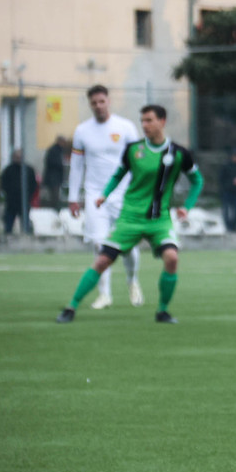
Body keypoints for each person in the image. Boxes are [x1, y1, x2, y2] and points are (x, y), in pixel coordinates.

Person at [56, 104, 203, 325]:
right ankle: (71, 307)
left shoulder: (179, 153)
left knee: (172, 258)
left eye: (149, 120)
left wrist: (187, 206)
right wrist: (104, 194)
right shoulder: (133, 150)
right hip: (130, 218)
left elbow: (197, 180)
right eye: (142, 121)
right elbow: (118, 174)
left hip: (159, 220)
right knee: (102, 260)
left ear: (162, 121)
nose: (144, 125)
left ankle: (162, 311)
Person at [69, 85, 142, 309]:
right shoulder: (82, 131)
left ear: (108, 101)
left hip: (124, 195)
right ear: (90, 105)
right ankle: (104, 294)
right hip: (95, 196)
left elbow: (138, 161)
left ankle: (132, 281)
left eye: (102, 101)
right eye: (94, 103)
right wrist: (73, 196)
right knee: (100, 245)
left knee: (127, 246)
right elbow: (77, 165)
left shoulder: (126, 127)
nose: (98, 106)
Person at [0, 149, 37, 234]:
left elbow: (33, 184)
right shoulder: (8, 170)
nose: (18, 159)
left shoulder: (28, 170)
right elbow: (4, 184)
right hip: (11, 201)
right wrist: (9, 194)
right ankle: (7, 236)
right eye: (17, 157)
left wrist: (29, 196)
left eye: (20, 157)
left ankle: (27, 235)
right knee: (9, 223)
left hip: (24, 201)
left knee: (25, 222)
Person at [42, 136, 69, 210]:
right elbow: (53, 162)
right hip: (53, 178)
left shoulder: (58, 150)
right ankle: (54, 209)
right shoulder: (54, 150)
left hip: (55, 177)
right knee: (54, 195)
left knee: (55, 194)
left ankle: (54, 208)